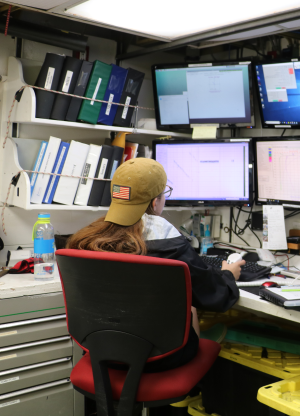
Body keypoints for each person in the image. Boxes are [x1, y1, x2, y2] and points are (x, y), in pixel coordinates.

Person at [67, 158, 245, 371]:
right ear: (154, 202)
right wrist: (227, 275)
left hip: (102, 352)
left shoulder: (86, 239)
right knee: (190, 305)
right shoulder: (169, 244)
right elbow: (216, 297)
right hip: (161, 358)